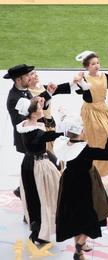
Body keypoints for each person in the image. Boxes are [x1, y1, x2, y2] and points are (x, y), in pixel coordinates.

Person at [54, 115, 108, 260]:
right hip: (83, 183)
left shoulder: (65, 144)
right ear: (81, 132)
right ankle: (80, 243)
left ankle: (79, 250)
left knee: (74, 215)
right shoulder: (83, 149)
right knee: (89, 214)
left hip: (68, 181)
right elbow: (107, 154)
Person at [4, 64, 56, 216]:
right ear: (18, 79)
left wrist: (48, 94)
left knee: (37, 172)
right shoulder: (14, 99)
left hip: (35, 137)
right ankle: (31, 208)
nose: (31, 78)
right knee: (34, 174)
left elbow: (34, 106)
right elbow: (21, 122)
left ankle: (26, 196)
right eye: (27, 76)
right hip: (28, 140)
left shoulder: (24, 90)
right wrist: (40, 130)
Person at [16, 97, 63, 244]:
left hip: (28, 165)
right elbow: (50, 134)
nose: (41, 108)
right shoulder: (35, 131)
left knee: (34, 198)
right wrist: (65, 131)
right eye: (39, 107)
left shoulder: (27, 124)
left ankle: (37, 230)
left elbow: (47, 129)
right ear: (33, 113)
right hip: (38, 167)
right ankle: (40, 232)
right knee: (45, 198)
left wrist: (41, 104)